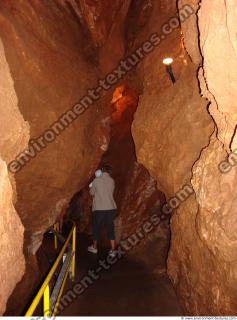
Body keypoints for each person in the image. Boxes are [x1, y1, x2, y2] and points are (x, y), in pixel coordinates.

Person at [88, 165, 117, 257]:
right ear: (109, 172)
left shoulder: (97, 180)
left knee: (96, 227)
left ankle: (94, 247)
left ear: (101, 171)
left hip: (99, 208)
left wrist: (92, 184)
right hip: (110, 208)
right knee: (110, 228)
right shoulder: (112, 180)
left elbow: (91, 193)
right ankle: (113, 250)